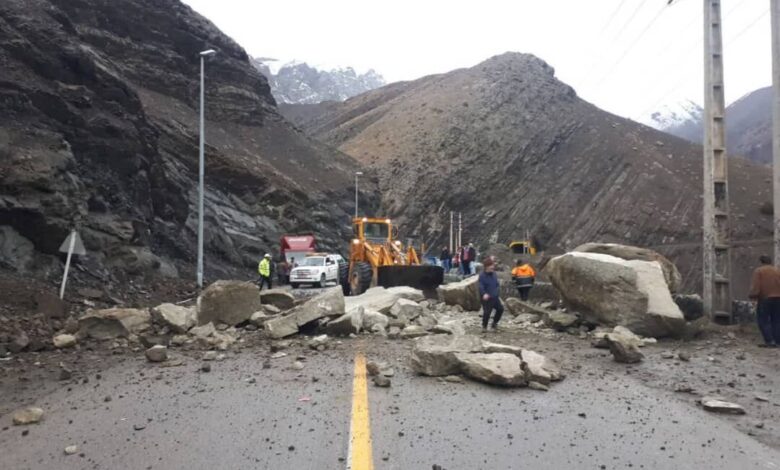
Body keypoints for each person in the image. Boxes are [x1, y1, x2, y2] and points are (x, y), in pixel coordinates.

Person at [749, 255, 780, 347]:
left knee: (763, 320)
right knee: (777, 320)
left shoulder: (759, 271)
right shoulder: (777, 270)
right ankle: (777, 341)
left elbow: (756, 286)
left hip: (765, 299)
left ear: (761, 262)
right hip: (778, 299)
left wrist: (753, 296)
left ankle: (769, 341)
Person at [478, 256, 504, 331]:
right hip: (486, 297)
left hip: (494, 296)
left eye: (493, 265)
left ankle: (494, 324)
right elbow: (481, 286)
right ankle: (484, 326)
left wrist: (498, 293)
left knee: (500, 309)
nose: (493, 267)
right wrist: (484, 294)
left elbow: (496, 285)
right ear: (486, 267)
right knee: (487, 313)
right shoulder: (482, 275)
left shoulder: (494, 274)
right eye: (491, 266)